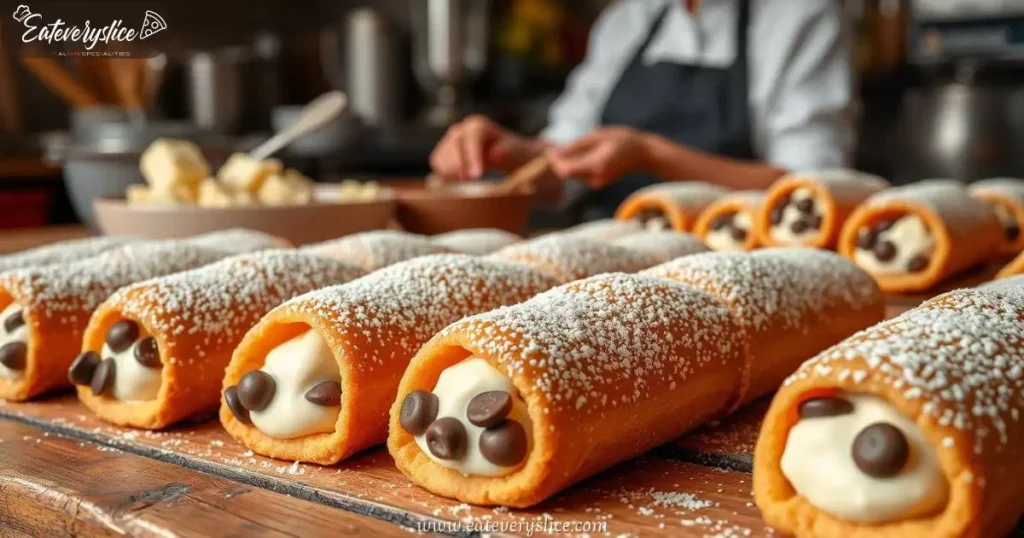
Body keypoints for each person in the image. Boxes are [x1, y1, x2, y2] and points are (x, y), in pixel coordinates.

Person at [429, 0, 855, 215]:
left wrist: (652, 155)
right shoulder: (631, 17)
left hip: (748, 261)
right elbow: (564, 169)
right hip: (613, 262)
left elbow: (810, 191)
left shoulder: (801, 15)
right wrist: (507, 154)